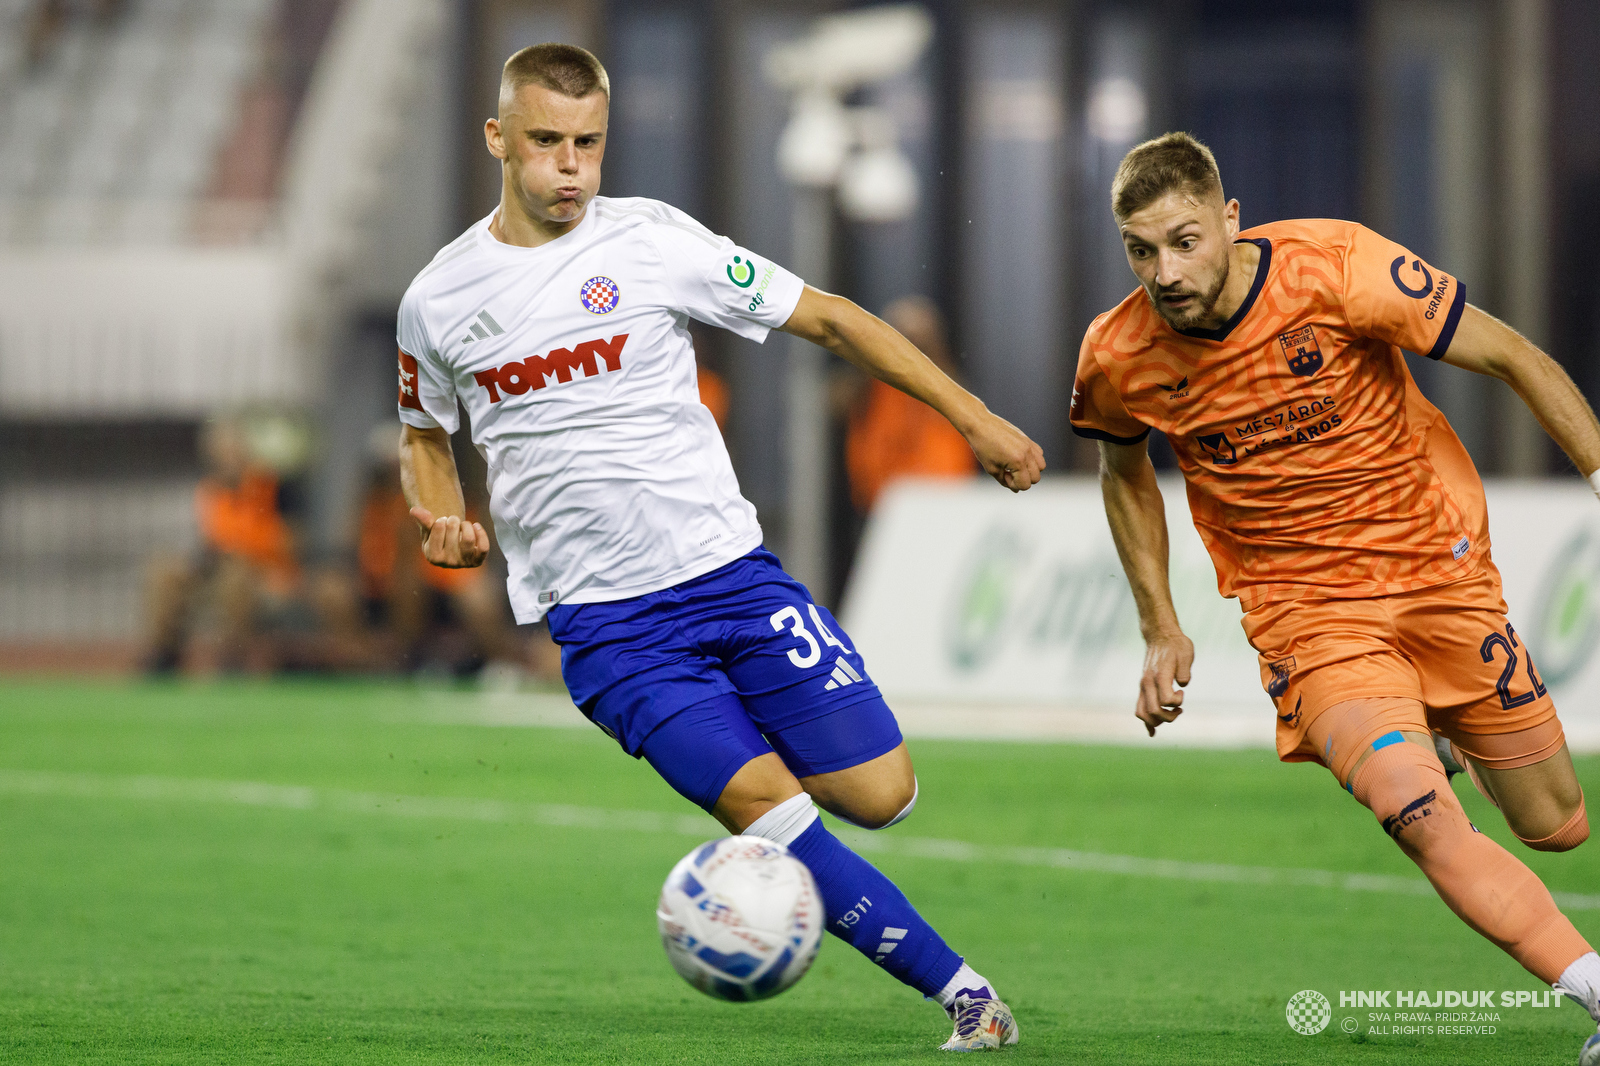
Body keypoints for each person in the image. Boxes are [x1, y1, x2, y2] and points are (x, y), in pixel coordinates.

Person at [394, 44, 1043, 1050]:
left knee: (883, 794)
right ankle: (967, 995)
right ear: (498, 140)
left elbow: (826, 318)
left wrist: (976, 418)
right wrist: (440, 517)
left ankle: (751, 754)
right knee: (771, 810)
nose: (570, 167)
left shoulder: (652, 243)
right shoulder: (440, 298)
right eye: (546, 144)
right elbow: (424, 437)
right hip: (612, 632)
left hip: (733, 581)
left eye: (588, 145)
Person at [1070, 131, 1600, 1062]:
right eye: (1141, 251)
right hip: (1306, 617)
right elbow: (1123, 471)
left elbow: (1516, 355)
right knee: (1416, 810)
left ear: (1231, 220)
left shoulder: (1342, 268)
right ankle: (1593, 989)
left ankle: (1442, 733)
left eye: (1185, 241)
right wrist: (1160, 625)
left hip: (1437, 576)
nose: (1166, 271)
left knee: (1555, 824)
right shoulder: (1118, 353)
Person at [844, 296, 978, 514]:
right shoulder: (871, 386)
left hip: (941, 500)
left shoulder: (944, 385)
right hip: (882, 503)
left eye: (918, 338)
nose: (910, 342)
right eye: (900, 335)